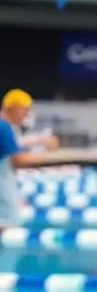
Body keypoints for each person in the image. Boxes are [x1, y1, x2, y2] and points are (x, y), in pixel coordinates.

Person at [0, 90, 58, 230]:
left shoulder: (6, 127)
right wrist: (51, 159)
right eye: (25, 110)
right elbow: (18, 160)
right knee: (9, 224)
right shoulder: (4, 127)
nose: (27, 115)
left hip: (5, 182)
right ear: (13, 107)